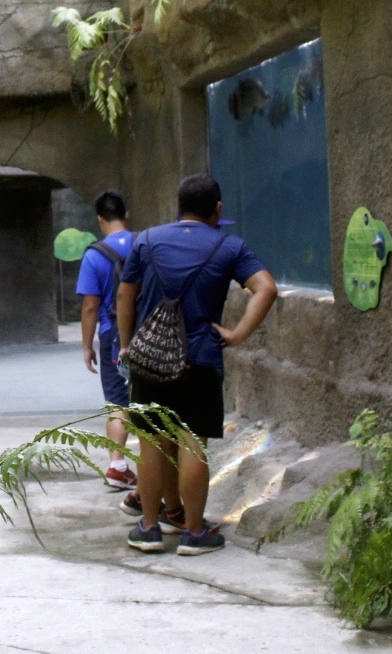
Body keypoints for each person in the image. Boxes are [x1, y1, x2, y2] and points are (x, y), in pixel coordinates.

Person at [117, 174, 278, 556]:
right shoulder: (230, 246)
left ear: (179, 206)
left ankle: (150, 528)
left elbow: (126, 294)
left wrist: (127, 345)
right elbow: (266, 288)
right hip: (200, 359)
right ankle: (193, 533)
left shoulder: (147, 240)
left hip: (150, 359)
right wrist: (237, 334)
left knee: (152, 441)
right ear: (217, 209)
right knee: (193, 444)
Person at [76, 191, 137, 490]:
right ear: (127, 214)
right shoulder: (146, 244)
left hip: (113, 334)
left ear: (100, 220)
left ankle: (118, 465)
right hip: (149, 331)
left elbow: (90, 306)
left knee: (117, 401)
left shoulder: (93, 255)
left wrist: (87, 346)